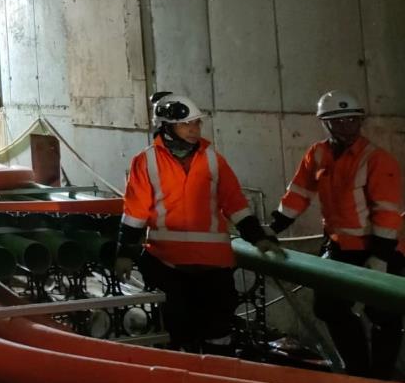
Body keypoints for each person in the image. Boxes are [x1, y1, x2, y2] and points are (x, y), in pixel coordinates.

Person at [114, 93, 281, 353]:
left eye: (197, 123)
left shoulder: (213, 159)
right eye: (186, 124)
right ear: (166, 126)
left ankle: (218, 374)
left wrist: (257, 237)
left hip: (214, 268)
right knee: (180, 335)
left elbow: (235, 204)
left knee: (219, 336)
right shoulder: (146, 162)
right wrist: (125, 253)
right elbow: (135, 212)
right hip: (169, 267)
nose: (194, 129)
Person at [269, 90, 403, 378]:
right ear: (325, 123)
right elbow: (298, 193)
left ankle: (381, 377)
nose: (346, 126)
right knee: (328, 307)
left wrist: (380, 257)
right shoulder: (317, 154)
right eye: (338, 121)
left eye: (352, 120)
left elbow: (386, 211)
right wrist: (273, 227)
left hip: (373, 248)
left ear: (360, 121)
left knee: (384, 314)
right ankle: (358, 370)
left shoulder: (376, 159)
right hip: (339, 247)